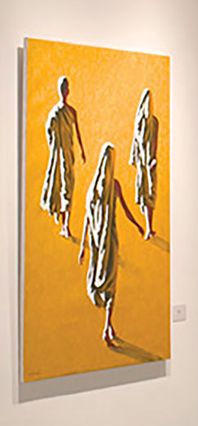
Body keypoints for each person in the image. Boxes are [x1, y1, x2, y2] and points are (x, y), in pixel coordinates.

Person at [78, 144, 144, 345]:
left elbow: (87, 219)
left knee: (101, 278)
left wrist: (83, 245)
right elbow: (125, 210)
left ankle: (109, 326)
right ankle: (107, 326)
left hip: (97, 241)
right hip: (108, 241)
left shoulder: (93, 188)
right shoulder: (113, 185)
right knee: (111, 281)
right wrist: (138, 226)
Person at [40, 75, 86, 238]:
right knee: (58, 184)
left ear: (68, 90)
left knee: (68, 185)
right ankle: (63, 221)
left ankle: (66, 224)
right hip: (58, 154)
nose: (65, 91)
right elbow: (48, 131)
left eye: (66, 88)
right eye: (63, 88)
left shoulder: (71, 111)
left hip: (68, 153)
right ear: (60, 91)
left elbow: (78, 131)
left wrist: (82, 150)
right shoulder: (55, 113)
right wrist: (54, 146)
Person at [129, 88, 159, 240]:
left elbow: (155, 143)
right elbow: (135, 142)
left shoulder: (154, 122)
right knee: (143, 193)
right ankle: (148, 226)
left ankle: (149, 227)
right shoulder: (138, 124)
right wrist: (134, 158)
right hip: (142, 164)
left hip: (150, 164)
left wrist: (153, 159)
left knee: (150, 194)